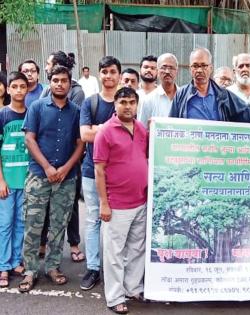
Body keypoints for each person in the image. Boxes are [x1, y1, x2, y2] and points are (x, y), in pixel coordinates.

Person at [19, 65, 84, 292]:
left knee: (58, 224)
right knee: (33, 224)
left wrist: (66, 168)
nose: (59, 84)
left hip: (66, 179)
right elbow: (29, 139)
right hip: (39, 176)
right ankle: (30, 270)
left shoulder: (76, 111)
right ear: (50, 82)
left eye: (64, 80)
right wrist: (47, 167)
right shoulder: (36, 107)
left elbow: (81, 144)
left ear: (69, 83)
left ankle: (53, 266)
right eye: (55, 80)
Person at [94, 87, 148, 314]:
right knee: (114, 253)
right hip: (116, 204)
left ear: (137, 105)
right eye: (123, 102)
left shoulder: (142, 129)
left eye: (132, 102)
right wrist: (104, 203)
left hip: (141, 201)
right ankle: (115, 297)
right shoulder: (105, 132)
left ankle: (133, 288)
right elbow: (99, 170)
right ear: (115, 104)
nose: (128, 106)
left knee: (137, 249)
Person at [79, 56, 121, 291]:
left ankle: (114, 268)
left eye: (112, 71)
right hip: (91, 171)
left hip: (118, 172)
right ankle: (93, 268)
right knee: (94, 219)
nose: (108, 76)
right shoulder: (91, 103)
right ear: (99, 74)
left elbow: (129, 133)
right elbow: (85, 135)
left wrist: (98, 130)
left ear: (118, 75)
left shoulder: (125, 101)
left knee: (117, 222)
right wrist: (110, 129)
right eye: (104, 71)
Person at [39, 50, 85, 262]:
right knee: (45, 208)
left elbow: (75, 131)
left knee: (71, 204)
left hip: (69, 160)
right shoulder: (45, 92)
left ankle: (74, 243)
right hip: (45, 161)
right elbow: (38, 120)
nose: (47, 68)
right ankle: (42, 244)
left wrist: (65, 166)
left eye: (49, 64)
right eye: (54, 78)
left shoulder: (77, 93)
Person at [169, 47, 250, 125]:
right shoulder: (181, 95)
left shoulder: (223, 96)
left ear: (210, 68)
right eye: (195, 66)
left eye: (204, 65)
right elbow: (169, 126)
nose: (199, 70)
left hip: (217, 155)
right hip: (189, 155)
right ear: (190, 68)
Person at [0, 72, 29, 288]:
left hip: (26, 181)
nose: (19, 90)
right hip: (7, 182)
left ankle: (16, 261)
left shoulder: (31, 114)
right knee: (5, 224)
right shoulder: (3, 115)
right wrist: (1, 180)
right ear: (8, 89)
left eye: (22, 86)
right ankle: (3, 265)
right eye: (15, 86)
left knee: (21, 223)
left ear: (27, 89)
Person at [139, 53, 178, 128]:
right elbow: (142, 129)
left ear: (177, 71)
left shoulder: (184, 96)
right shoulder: (148, 100)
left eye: (171, 68)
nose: (167, 71)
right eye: (163, 67)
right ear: (157, 71)